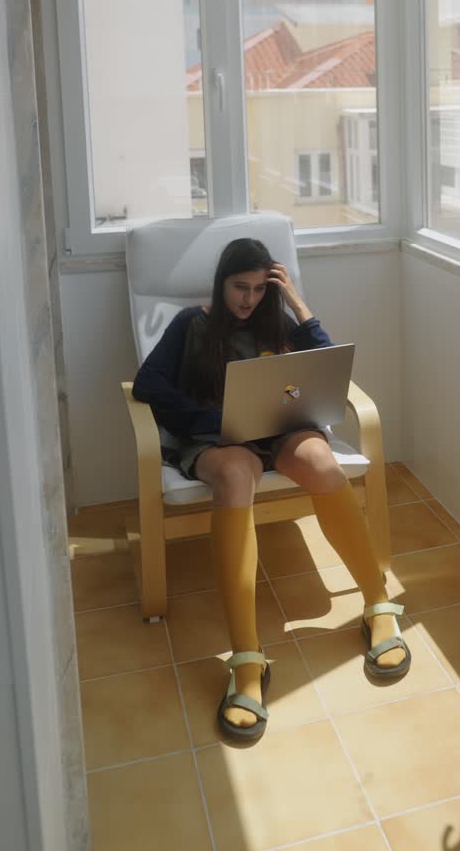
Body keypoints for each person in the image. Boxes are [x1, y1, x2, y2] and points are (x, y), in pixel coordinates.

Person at [133, 237, 410, 742]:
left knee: (322, 463)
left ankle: (377, 604)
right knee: (238, 474)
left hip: (281, 430)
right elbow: (148, 384)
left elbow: (328, 370)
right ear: (221, 282)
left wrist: (298, 306)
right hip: (218, 442)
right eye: (241, 287)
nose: (249, 299)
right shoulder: (190, 324)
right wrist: (214, 421)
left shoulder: (277, 322)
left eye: (261, 288)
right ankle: (247, 660)